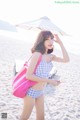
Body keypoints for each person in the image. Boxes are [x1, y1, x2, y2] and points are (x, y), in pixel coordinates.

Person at [20, 31, 69, 120]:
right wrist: (50, 81)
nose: (50, 42)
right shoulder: (37, 55)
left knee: (41, 118)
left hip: (40, 92)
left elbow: (66, 60)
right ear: (42, 41)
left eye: (51, 39)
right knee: (24, 118)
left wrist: (61, 43)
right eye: (47, 39)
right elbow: (28, 76)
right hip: (30, 92)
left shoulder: (50, 56)